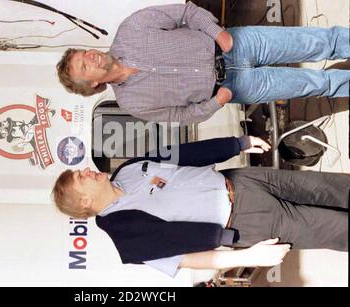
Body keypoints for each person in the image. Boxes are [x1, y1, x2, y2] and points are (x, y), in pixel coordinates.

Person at [51, 135, 349, 277]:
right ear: (86, 201)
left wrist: (238, 144)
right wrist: (250, 256)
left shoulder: (127, 170)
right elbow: (191, 259)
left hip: (244, 180)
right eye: (82, 177)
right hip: (246, 221)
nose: (87, 170)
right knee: (337, 229)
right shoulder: (128, 240)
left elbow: (183, 154)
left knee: (333, 187)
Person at [56, 2, 350, 126]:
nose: (91, 56)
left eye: (85, 53)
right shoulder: (134, 104)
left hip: (236, 44)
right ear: (93, 84)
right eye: (85, 66)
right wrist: (217, 103)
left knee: (320, 42)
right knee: (316, 84)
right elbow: (183, 116)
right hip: (235, 88)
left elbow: (186, 12)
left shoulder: (131, 29)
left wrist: (218, 34)